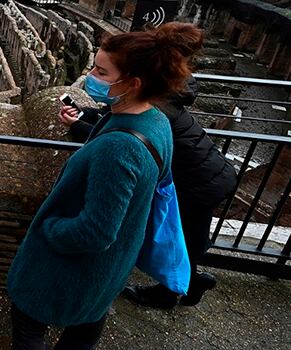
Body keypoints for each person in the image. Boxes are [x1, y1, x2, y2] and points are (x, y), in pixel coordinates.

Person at [4, 22, 203, 350]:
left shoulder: (120, 149)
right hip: (114, 262)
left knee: (29, 327)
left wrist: (50, 228)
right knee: (90, 316)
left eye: (100, 71)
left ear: (132, 83)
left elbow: (95, 231)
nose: (90, 77)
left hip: (73, 260)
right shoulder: (155, 121)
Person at [59, 73, 237, 309]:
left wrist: (77, 126)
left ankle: (166, 295)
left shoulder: (156, 111)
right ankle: (193, 282)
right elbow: (114, 116)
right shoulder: (158, 97)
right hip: (209, 175)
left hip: (197, 183)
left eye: (102, 72)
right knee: (185, 236)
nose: (95, 77)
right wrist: (85, 113)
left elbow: (120, 140)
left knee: (175, 238)